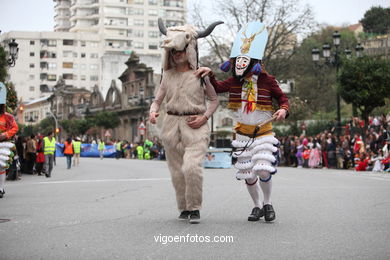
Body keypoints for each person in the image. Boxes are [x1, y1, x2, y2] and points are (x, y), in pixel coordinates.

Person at [196, 21, 289, 222]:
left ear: (253, 61)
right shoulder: (234, 82)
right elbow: (217, 87)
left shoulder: (268, 80)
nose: (239, 63)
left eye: (243, 60)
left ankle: (267, 203)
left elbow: (283, 98)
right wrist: (209, 74)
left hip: (263, 132)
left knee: (263, 169)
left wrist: (282, 109)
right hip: (242, 133)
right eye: (237, 59)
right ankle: (256, 206)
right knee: (248, 174)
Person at [149, 18, 221, 224]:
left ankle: (195, 207)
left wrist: (204, 117)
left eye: (181, 50)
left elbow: (215, 100)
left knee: (191, 167)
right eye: (174, 51)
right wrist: (153, 112)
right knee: (176, 172)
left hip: (195, 125)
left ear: (189, 50)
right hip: (170, 125)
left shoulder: (201, 74)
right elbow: (157, 101)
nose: (177, 54)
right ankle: (184, 208)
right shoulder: (167, 75)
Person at [0, 82, 19, 198]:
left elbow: (15, 127)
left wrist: (6, 134)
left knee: (1, 166)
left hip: (3, 144)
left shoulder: (8, 116)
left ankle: (1, 188)